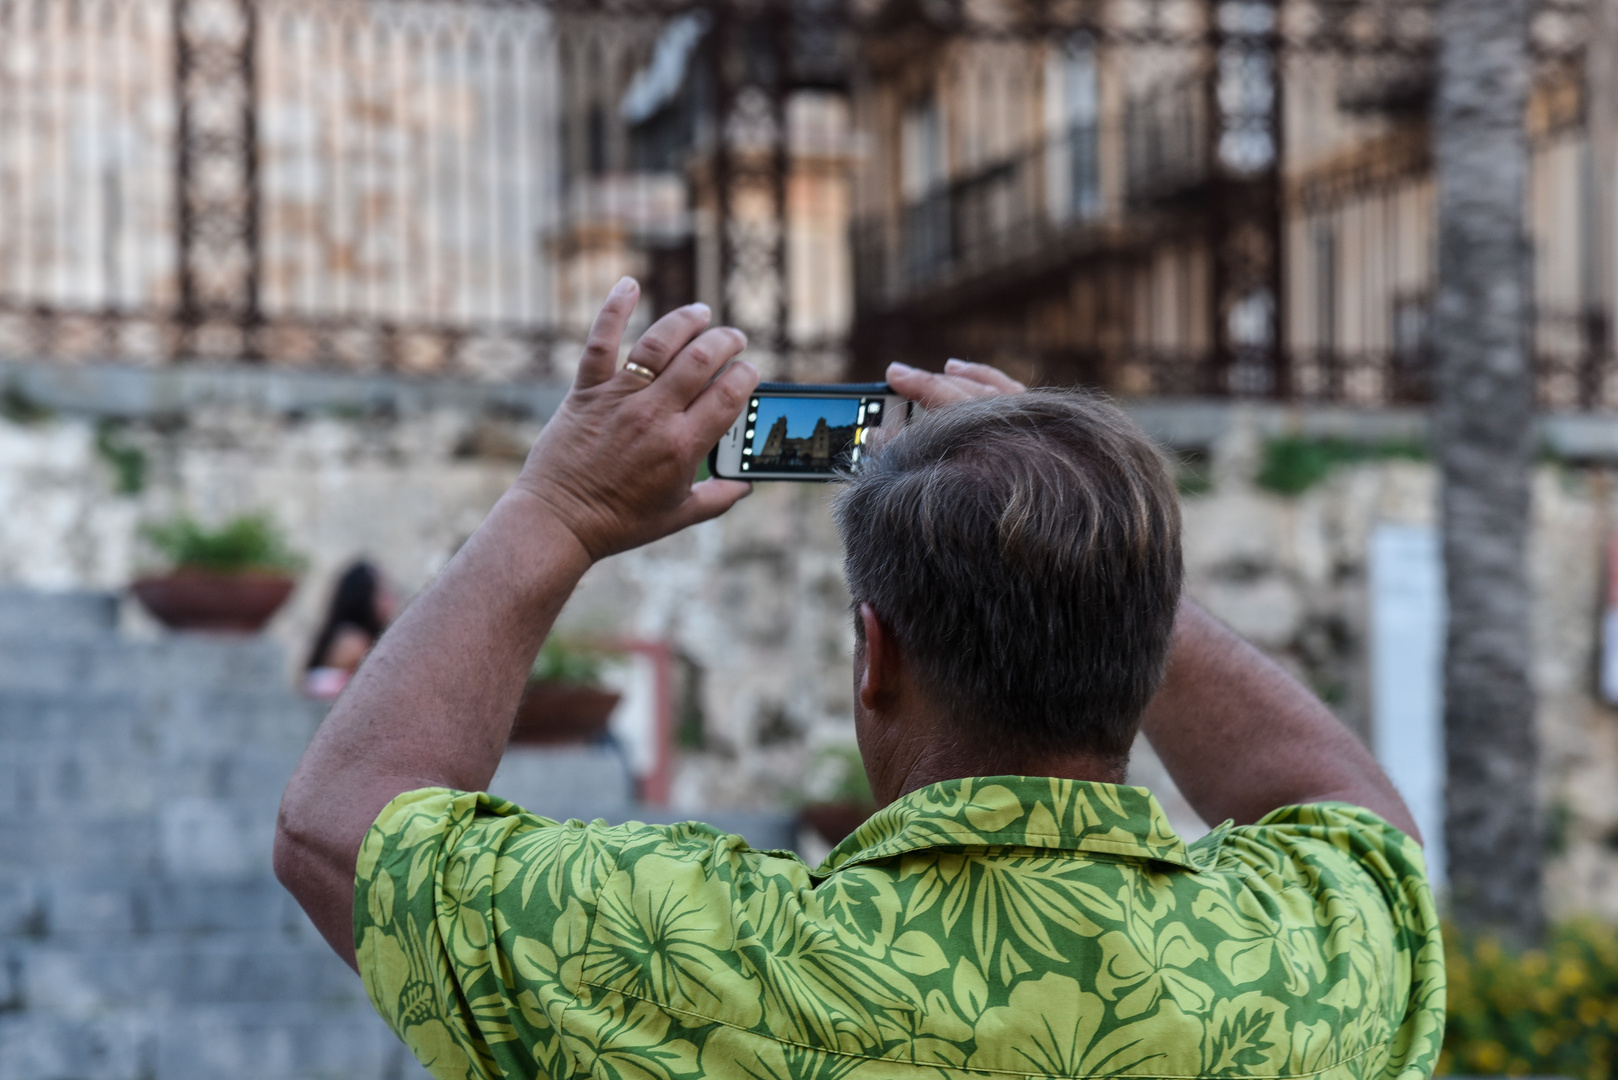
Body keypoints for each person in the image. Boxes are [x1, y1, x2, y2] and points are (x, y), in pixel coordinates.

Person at [275, 279, 1443, 1080]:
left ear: (873, 657)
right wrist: (1097, 554)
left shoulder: (692, 960)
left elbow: (338, 827)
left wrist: (558, 509)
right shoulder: (1299, 961)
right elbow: (1362, 822)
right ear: (1139, 657)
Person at [302, 560, 396, 700]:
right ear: (365, 597)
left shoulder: (345, 635)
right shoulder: (353, 642)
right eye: (383, 592)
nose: (392, 598)